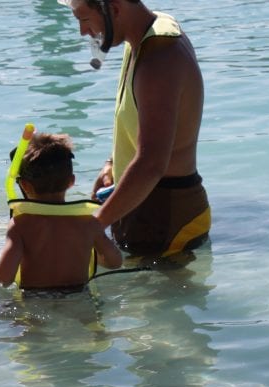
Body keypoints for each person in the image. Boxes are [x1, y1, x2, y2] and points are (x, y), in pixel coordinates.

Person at [60, 0, 211, 258]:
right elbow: (137, 122)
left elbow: (151, 163)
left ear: (115, 8)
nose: (83, 32)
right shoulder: (142, 39)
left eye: (84, 19)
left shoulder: (160, 57)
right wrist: (112, 165)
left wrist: (93, 225)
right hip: (150, 210)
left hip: (168, 220)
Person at [0, 132, 122, 292]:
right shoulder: (89, 223)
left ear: (25, 186)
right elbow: (115, 262)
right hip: (78, 297)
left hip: (36, 299)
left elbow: (3, 278)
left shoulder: (20, 226)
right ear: (72, 181)